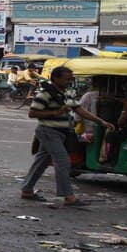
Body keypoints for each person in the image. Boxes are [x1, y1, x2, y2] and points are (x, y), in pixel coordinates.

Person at [20, 66, 113, 206]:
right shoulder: (44, 94)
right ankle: (68, 197)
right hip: (49, 131)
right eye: (67, 79)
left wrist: (101, 122)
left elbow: (80, 110)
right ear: (56, 78)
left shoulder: (66, 94)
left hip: (61, 132)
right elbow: (32, 113)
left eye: (71, 79)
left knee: (41, 161)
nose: (69, 82)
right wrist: (56, 113)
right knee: (63, 161)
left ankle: (27, 190)